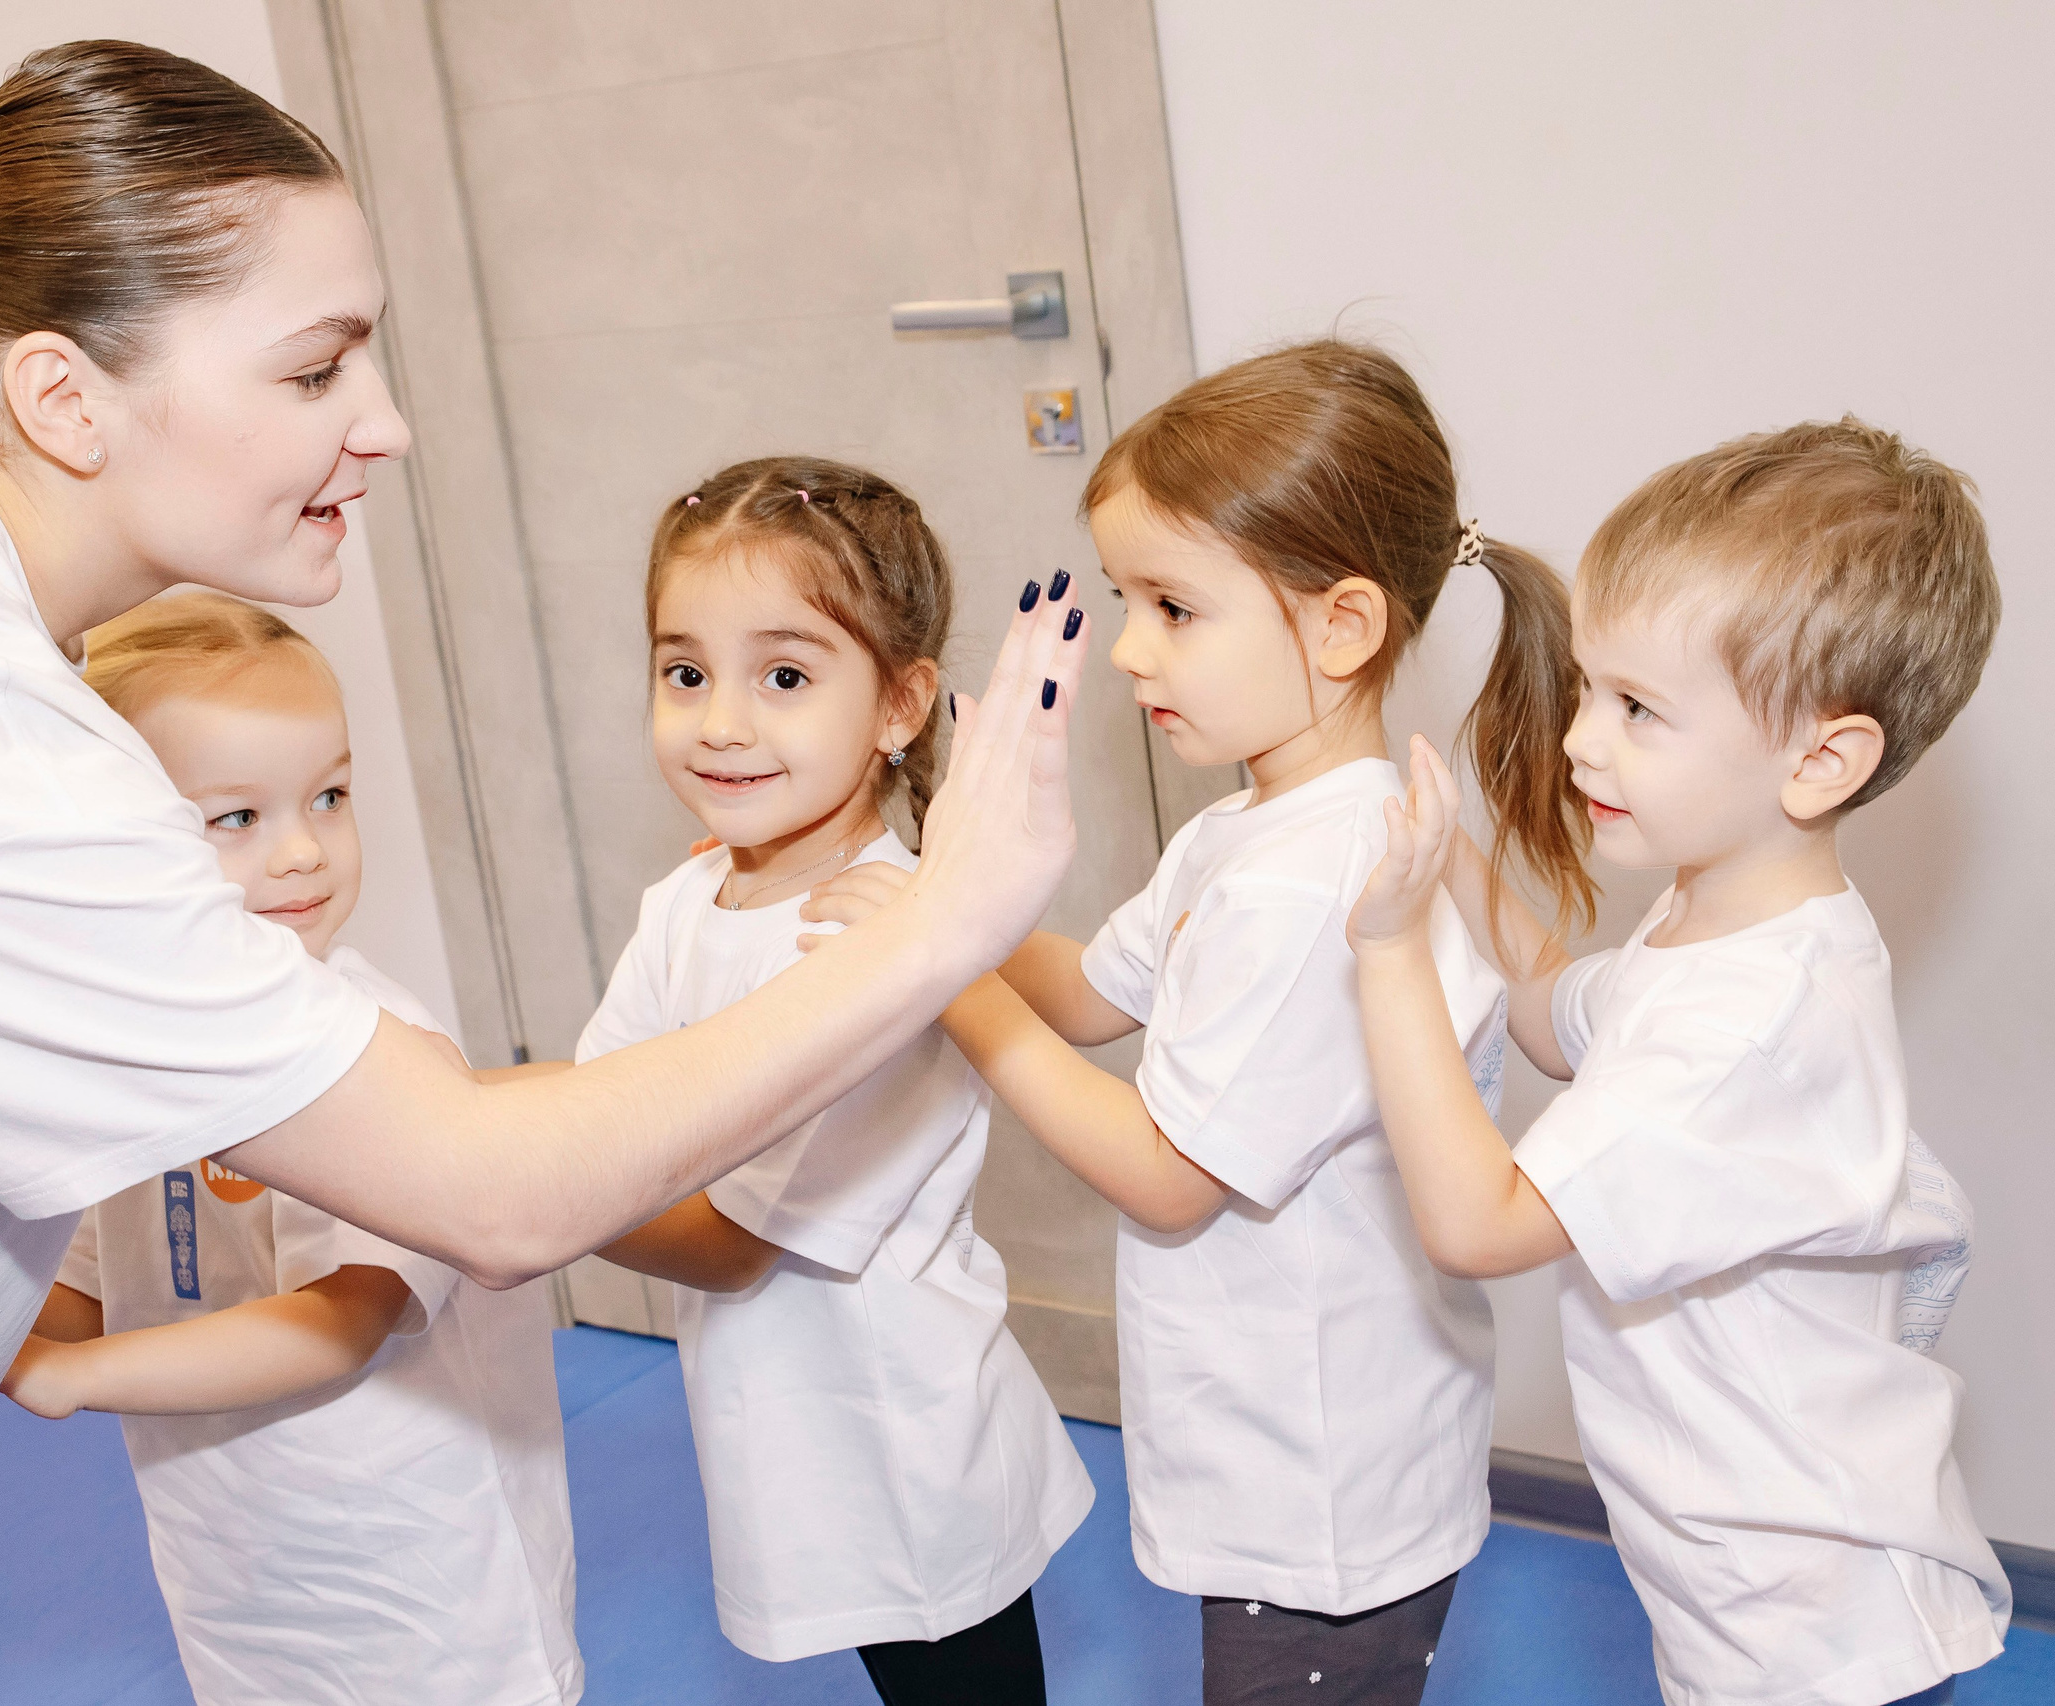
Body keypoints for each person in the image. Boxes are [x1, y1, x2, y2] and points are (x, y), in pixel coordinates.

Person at [0, 42, 1087, 1705]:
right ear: (63, 396)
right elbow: (498, 1194)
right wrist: (948, 922)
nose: (385, 425)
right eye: (317, 370)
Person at [809, 342, 1582, 1702]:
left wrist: (952, 982)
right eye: (1123, 597)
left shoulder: (1312, 884)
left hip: (1323, 1488)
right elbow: (1098, 993)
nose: (1127, 647)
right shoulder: (1244, 831)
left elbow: (1168, 1176)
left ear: (1341, 626)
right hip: (1289, 1449)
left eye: (1173, 605)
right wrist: (953, 900)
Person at [1344, 420, 2008, 1705]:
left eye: (1639, 707)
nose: (1584, 739)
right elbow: (1551, 1013)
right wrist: (1440, 863)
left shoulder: (1745, 1021)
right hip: (1734, 1557)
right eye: (1593, 686)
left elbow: (1478, 1222)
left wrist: (1385, 954)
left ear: (1820, 760)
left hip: (1795, 1595)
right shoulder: (1719, 918)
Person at [0, 593, 580, 1706]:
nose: (305, 848)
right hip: (240, 1567)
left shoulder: (375, 1053)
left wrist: (66, 1374)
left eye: (329, 794)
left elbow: (345, 1315)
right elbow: (76, 1285)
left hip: (427, 1588)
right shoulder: (126, 1056)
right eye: (236, 818)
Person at [573, 461, 1092, 1704]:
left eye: (787, 677)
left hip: (904, 1445)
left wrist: (522, 1203)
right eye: (684, 671)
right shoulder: (684, 898)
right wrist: (560, 1164)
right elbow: (596, 1111)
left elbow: (724, 1239)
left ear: (901, 704)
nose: (722, 722)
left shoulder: (887, 938)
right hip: (788, 1428)